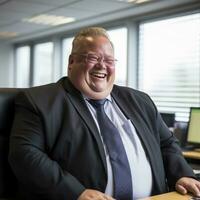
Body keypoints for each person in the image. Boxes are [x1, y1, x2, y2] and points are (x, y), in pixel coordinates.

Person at [9, 27, 200, 200]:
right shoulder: (39, 100)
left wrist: (181, 174)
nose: (102, 66)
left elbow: (166, 143)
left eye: (109, 60)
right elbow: (25, 154)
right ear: (71, 62)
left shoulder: (140, 101)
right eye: (93, 58)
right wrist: (76, 192)